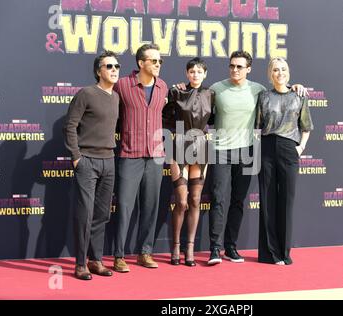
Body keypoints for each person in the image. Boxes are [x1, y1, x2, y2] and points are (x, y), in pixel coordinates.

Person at [205, 51, 308, 265]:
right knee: (218, 199)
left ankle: (231, 248)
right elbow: (197, 100)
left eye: (240, 66)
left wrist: (296, 86)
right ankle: (215, 249)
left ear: (248, 69)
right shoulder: (216, 88)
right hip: (221, 151)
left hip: (247, 151)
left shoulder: (258, 91)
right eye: (232, 66)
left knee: (238, 201)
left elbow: (284, 93)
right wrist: (180, 89)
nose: (235, 70)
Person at [63, 50, 120, 280]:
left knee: (102, 214)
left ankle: (96, 260)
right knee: (85, 213)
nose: (114, 70)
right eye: (109, 66)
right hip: (87, 160)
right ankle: (80, 264)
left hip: (109, 161)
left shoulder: (116, 97)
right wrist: (77, 157)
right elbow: (70, 127)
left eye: (116, 66)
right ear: (99, 71)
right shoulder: (85, 93)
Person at [112, 44, 168, 272]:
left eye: (160, 61)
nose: (158, 65)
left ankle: (145, 252)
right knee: (124, 207)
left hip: (155, 157)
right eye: (153, 61)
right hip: (130, 154)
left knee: (151, 206)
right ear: (140, 63)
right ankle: (119, 255)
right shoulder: (122, 85)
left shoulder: (163, 87)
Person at [255, 57, 313, 265]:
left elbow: (305, 126)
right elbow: (257, 125)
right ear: (270, 74)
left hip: (290, 148)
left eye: (283, 69)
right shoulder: (263, 96)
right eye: (276, 70)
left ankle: (284, 252)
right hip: (267, 147)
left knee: (286, 201)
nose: (280, 73)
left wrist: (300, 148)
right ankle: (269, 253)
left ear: (288, 72)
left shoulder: (299, 95)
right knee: (267, 200)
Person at [162, 58, 215, 267]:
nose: (195, 74)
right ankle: (176, 246)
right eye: (192, 71)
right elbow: (165, 119)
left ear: (205, 74)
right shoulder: (176, 92)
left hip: (202, 147)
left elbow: (214, 120)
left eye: (199, 71)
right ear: (187, 74)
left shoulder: (212, 95)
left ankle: (190, 248)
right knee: (181, 202)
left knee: (195, 200)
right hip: (179, 145)